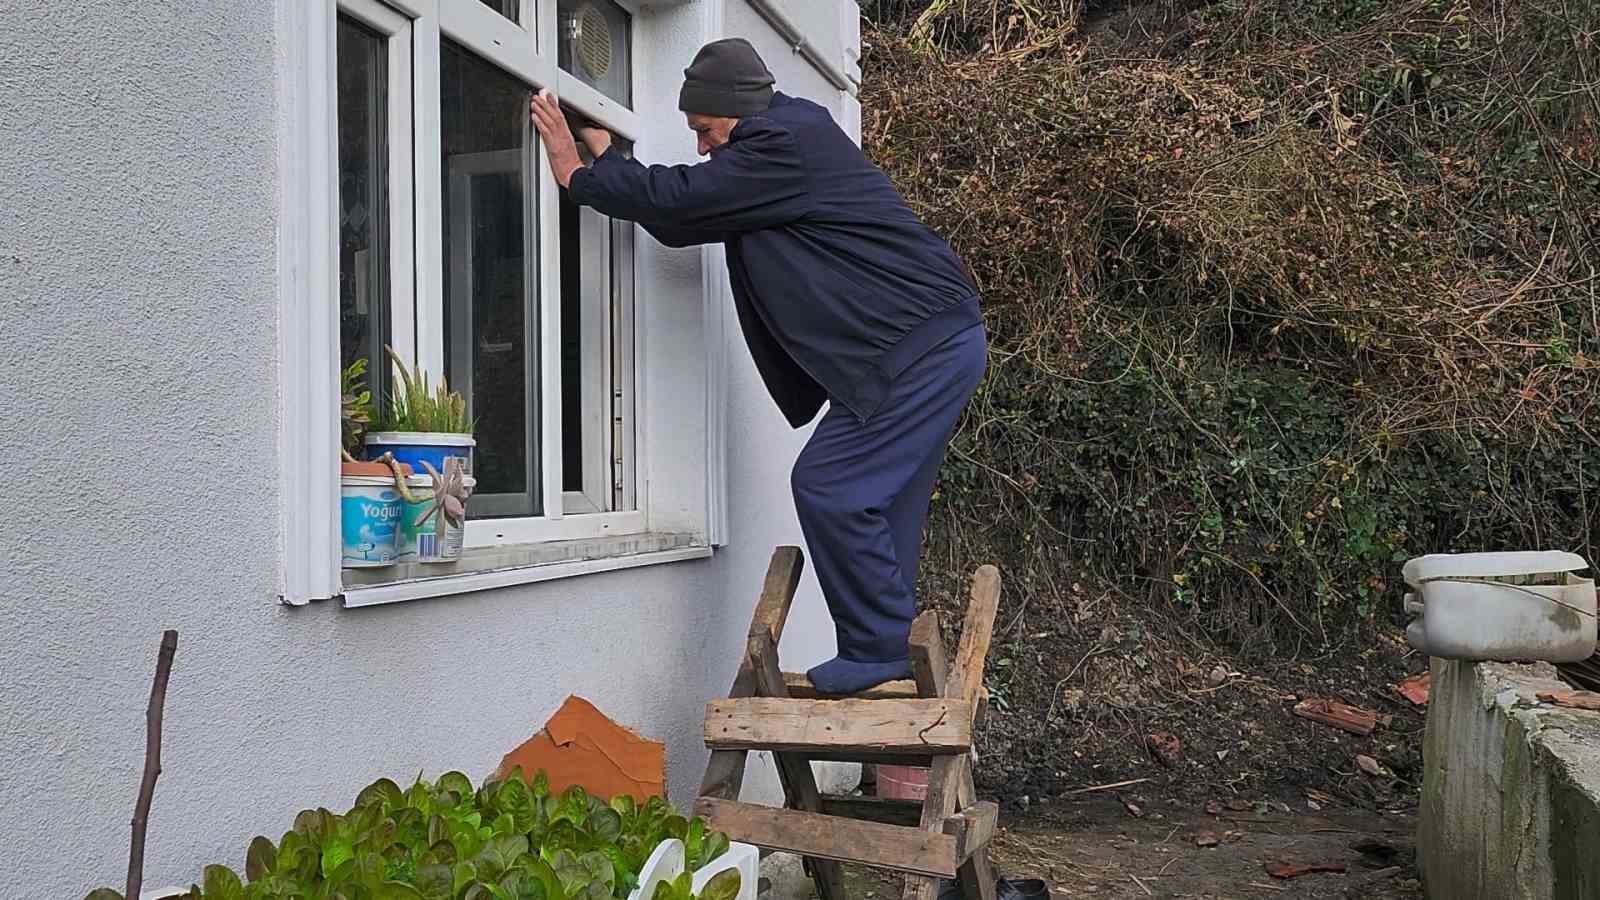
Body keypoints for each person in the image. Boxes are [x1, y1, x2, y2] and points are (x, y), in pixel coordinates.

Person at [530, 38, 986, 695]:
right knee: (884, 504)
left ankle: (879, 649)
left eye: (706, 131)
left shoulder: (783, 145)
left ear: (738, 113)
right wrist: (615, 163)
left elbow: (685, 198)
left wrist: (578, 175)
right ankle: (887, 651)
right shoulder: (781, 144)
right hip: (931, 342)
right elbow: (686, 217)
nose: (702, 146)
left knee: (830, 484)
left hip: (917, 348)